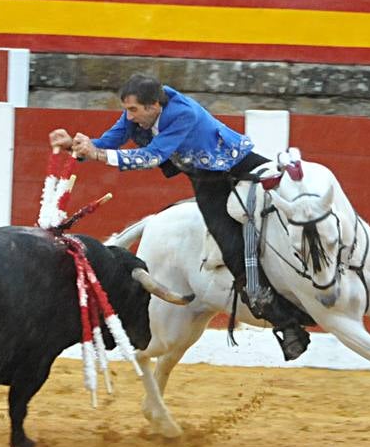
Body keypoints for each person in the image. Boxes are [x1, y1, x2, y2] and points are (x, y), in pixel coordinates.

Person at [50, 73, 311, 361]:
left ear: (154, 107)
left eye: (134, 110)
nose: (129, 116)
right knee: (232, 250)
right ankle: (287, 325)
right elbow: (109, 140)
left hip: (240, 165)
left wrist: (98, 155)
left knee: (295, 206)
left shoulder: (181, 113)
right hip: (208, 182)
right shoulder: (139, 113)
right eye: (127, 109)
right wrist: (76, 146)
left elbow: (153, 156)